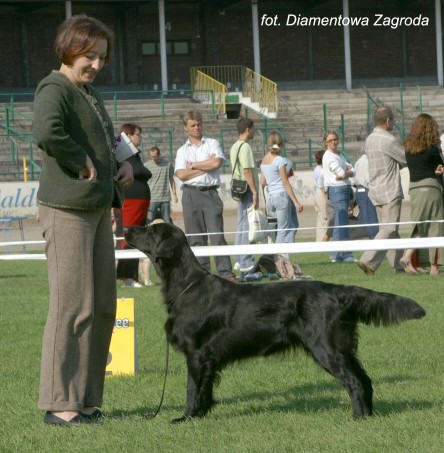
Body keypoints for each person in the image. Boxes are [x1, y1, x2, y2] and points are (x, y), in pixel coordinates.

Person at [32, 15, 133, 425]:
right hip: (66, 210)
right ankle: (60, 403)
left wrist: (131, 167)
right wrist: (80, 160)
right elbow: (46, 130)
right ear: (69, 48)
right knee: (72, 307)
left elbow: (111, 140)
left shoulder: (89, 93)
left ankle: (87, 401)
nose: (95, 64)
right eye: (89, 55)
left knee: (103, 306)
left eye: (101, 57)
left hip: (96, 209)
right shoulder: (53, 87)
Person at [174, 110, 235, 281]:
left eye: (199, 124)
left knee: (217, 237)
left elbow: (216, 163)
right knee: (195, 239)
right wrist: (203, 167)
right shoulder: (182, 151)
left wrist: (192, 165)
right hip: (190, 194)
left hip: (210, 193)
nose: (196, 127)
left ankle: (226, 274)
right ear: (185, 128)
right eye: (192, 125)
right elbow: (181, 175)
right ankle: (202, 276)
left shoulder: (212, 143)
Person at [357, 106, 406, 275]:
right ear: (387, 121)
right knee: (389, 229)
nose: (393, 123)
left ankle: (399, 266)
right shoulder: (388, 139)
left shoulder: (370, 139)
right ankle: (367, 260)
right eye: (392, 120)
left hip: (376, 189)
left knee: (391, 230)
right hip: (390, 189)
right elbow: (405, 158)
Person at [399, 113, 444, 276]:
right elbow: (440, 167)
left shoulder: (408, 148)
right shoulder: (432, 148)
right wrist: (439, 169)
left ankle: (407, 257)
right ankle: (434, 267)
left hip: (414, 187)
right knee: (435, 226)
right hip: (430, 187)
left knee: (419, 224)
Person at [115, 123, 152, 288]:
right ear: (128, 136)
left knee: (135, 238)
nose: (140, 137)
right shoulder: (120, 153)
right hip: (129, 202)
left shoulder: (134, 155)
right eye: (138, 134)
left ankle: (132, 276)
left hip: (139, 203)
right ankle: (127, 278)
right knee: (127, 239)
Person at [260, 131, 303, 246]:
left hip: (271, 198)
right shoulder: (280, 160)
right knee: (284, 229)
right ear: (282, 144)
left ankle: (283, 257)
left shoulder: (264, 160)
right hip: (281, 196)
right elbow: (285, 182)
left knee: (285, 227)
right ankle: (280, 258)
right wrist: (296, 202)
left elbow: (262, 182)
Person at [229, 117, 259, 274]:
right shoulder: (245, 147)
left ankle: (239, 259)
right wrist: (255, 191)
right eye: (253, 128)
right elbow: (247, 170)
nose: (254, 131)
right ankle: (246, 259)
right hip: (246, 188)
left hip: (238, 187)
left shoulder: (235, 146)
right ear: (248, 129)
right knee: (248, 224)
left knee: (241, 223)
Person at [322, 130, 355, 263]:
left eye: (335, 139)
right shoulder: (329, 156)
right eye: (330, 140)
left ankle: (336, 254)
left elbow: (352, 170)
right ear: (326, 143)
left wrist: (347, 173)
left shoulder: (339, 155)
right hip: (337, 189)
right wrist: (347, 173)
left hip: (344, 188)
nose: (333, 142)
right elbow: (342, 173)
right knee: (342, 221)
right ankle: (345, 254)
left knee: (339, 221)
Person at [144, 146, 178, 224]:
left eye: (155, 156)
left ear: (159, 155)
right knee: (149, 221)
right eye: (151, 156)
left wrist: (174, 194)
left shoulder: (168, 164)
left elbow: (172, 180)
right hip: (152, 198)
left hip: (165, 198)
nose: (153, 158)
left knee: (167, 221)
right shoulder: (146, 165)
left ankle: (168, 235)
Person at [352, 151, 379, 239]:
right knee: (370, 216)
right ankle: (373, 236)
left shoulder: (358, 161)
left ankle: (364, 236)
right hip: (366, 190)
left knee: (363, 215)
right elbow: (368, 178)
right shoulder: (368, 161)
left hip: (358, 190)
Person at [313, 149, 334, 242]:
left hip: (317, 194)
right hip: (322, 194)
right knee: (325, 218)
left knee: (321, 218)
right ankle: (324, 241)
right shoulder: (321, 170)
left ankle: (320, 240)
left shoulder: (316, 169)